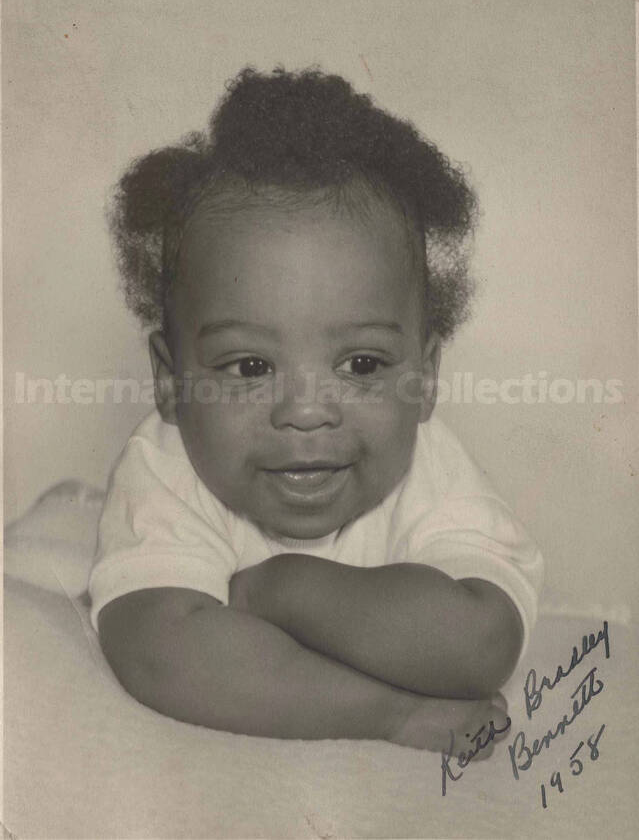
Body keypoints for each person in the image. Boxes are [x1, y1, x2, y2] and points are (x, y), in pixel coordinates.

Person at [90, 67, 543, 755]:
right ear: (171, 380)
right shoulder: (165, 465)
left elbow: (479, 646)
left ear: (423, 378)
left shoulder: (431, 470)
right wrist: (391, 712)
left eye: (361, 365)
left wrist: (284, 590)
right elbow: (156, 651)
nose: (305, 413)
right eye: (249, 367)